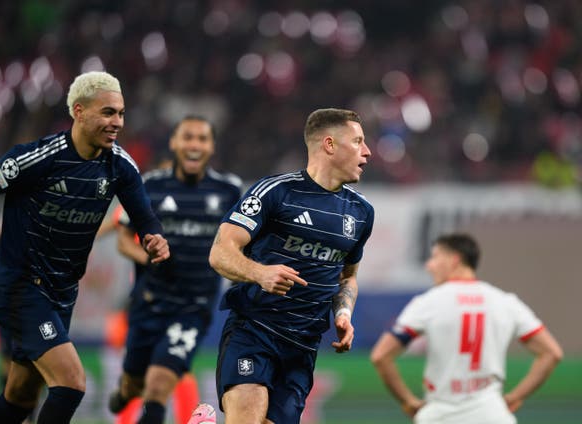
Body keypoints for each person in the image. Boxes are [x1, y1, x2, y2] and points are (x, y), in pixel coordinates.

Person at [0, 71, 170, 424]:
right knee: (71, 383)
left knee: (20, 395)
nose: (118, 122)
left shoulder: (120, 165)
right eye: (108, 112)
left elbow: (145, 217)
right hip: (22, 288)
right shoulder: (37, 158)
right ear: (79, 111)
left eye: (121, 113)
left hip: (63, 293)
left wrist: (154, 237)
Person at [208, 108, 374, 424]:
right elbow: (220, 252)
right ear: (329, 144)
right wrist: (260, 273)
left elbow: (348, 277)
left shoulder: (361, 212)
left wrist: (343, 313)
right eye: (358, 141)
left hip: (302, 347)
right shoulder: (275, 192)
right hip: (255, 330)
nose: (367, 151)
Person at [107, 115, 242, 424]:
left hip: (193, 307)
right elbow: (124, 242)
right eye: (188, 137)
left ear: (211, 147)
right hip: (149, 302)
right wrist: (150, 258)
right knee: (135, 383)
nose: (194, 145)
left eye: (202, 139)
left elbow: (242, 242)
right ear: (174, 144)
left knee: (158, 386)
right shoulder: (150, 185)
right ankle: (126, 392)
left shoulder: (229, 190)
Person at [370, 233, 563, 424]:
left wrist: (408, 402)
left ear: (454, 260)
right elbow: (551, 353)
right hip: (492, 415)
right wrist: (516, 397)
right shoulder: (505, 302)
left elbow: (381, 355)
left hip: (440, 415)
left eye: (435, 257)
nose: (429, 265)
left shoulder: (427, 303)